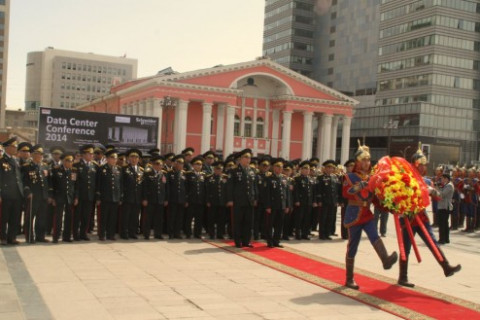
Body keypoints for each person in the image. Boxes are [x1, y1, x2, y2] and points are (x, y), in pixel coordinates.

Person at [397, 145, 461, 288]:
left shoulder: (426, 181)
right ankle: (403, 277)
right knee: (406, 247)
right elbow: (399, 196)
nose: (422, 167)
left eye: (424, 165)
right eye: (420, 164)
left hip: (422, 216)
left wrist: (433, 191)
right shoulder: (405, 179)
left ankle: (446, 266)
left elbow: (438, 197)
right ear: (414, 164)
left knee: (432, 242)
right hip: (409, 217)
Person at [342, 140, 398, 290]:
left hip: (366, 213)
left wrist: (390, 205)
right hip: (354, 214)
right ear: (357, 162)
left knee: (375, 236)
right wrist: (358, 186)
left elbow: (376, 198)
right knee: (353, 245)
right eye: (364, 160)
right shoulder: (350, 177)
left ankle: (385, 259)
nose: (367, 163)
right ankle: (349, 278)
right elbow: (345, 192)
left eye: (368, 160)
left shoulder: (373, 177)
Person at [226, 149, 258, 248]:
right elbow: (229, 186)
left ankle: (246, 241)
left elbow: (254, 186)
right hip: (238, 201)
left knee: (248, 222)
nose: (248, 159)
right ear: (240, 159)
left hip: (249, 201)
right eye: (246, 157)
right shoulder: (234, 171)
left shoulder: (252, 171)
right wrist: (230, 200)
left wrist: (255, 197)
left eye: (249, 158)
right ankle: (237, 241)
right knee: (238, 222)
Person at [22, 144, 51, 243]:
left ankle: (40, 236)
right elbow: (24, 182)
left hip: (43, 196)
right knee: (30, 217)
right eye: (39, 154)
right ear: (33, 154)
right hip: (33, 196)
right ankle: (29, 237)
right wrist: (28, 192)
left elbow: (48, 182)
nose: (41, 156)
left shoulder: (45, 166)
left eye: (42, 154)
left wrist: (48, 195)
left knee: (42, 217)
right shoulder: (27, 167)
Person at [0, 137, 25, 245]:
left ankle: (12, 237)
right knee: (4, 217)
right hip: (5, 194)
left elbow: (18, 177)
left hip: (16, 193)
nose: (15, 148)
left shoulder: (16, 160)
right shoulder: (1, 160)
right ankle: (3, 238)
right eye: (14, 146)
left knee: (14, 217)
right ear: (7, 148)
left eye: (16, 146)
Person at [96, 149, 123, 241]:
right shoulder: (101, 169)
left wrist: (120, 197)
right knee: (104, 217)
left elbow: (120, 184)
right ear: (107, 159)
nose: (114, 160)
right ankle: (101, 234)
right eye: (112, 158)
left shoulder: (119, 169)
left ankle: (110, 234)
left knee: (112, 218)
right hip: (105, 197)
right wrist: (98, 197)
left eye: (115, 158)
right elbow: (98, 184)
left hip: (115, 197)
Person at [49, 153, 77, 243]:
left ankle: (67, 236)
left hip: (69, 197)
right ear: (63, 161)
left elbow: (76, 185)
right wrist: (52, 197)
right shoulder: (56, 170)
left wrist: (76, 197)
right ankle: (56, 236)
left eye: (71, 161)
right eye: (68, 161)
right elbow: (52, 185)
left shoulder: (74, 171)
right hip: (59, 197)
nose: (70, 163)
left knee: (69, 217)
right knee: (58, 217)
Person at [73, 144, 98, 241]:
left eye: (92, 154)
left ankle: (83, 233)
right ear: (83, 155)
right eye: (90, 154)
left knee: (86, 216)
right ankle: (75, 234)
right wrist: (76, 196)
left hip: (89, 196)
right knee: (77, 216)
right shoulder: (76, 166)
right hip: (80, 196)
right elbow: (74, 182)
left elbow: (95, 182)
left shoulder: (94, 166)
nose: (92, 156)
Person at [264, 158, 289, 248]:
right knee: (270, 224)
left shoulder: (284, 178)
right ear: (274, 168)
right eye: (277, 167)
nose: (279, 169)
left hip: (281, 205)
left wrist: (287, 205)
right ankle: (269, 241)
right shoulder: (269, 178)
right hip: (272, 205)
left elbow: (286, 193)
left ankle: (276, 241)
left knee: (279, 224)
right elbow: (267, 194)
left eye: (281, 167)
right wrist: (268, 206)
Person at [142, 155, 168, 240]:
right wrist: (145, 198)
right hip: (150, 199)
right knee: (149, 218)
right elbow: (144, 187)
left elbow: (165, 188)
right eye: (157, 164)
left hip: (160, 199)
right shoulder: (148, 173)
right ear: (153, 164)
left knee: (159, 219)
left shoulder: (163, 174)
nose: (159, 166)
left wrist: (165, 199)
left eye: (161, 164)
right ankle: (146, 234)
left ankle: (158, 234)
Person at [121, 148, 144, 239]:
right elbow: (122, 183)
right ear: (129, 158)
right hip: (127, 196)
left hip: (137, 197)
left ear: (138, 159)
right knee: (126, 216)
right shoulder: (124, 169)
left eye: (136, 157)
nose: (134, 159)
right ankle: (124, 233)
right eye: (132, 157)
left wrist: (142, 197)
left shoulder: (141, 170)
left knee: (135, 216)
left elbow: (142, 185)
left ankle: (132, 232)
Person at [317, 160, 341, 240]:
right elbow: (319, 190)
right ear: (325, 168)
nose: (330, 169)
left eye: (332, 168)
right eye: (328, 168)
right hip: (324, 201)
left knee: (330, 218)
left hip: (332, 200)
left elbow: (336, 190)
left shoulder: (334, 177)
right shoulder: (320, 177)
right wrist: (319, 200)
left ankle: (327, 233)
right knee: (323, 218)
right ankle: (322, 234)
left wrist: (337, 200)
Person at [184, 156, 207, 239]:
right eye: (197, 164)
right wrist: (186, 200)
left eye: (200, 164)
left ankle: (197, 233)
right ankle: (188, 233)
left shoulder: (203, 175)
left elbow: (205, 189)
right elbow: (186, 188)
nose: (199, 166)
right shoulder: (188, 174)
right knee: (189, 218)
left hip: (200, 201)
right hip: (191, 200)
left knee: (199, 218)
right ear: (193, 165)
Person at [293, 160, 316, 240]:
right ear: (301, 170)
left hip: (308, 202)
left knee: (307, 219)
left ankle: (305, 234)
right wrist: (297, 200)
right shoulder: (297, 179)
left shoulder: (310, 179)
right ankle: (297, 234)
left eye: (308, 169)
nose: (307, 170)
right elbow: (296, 191)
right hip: (301, 202)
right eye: (305, 169)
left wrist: (314, 201)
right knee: (299, 218)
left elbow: (313, 192)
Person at [166, 155, 187, 239]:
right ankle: (170, 233)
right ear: (175, 164)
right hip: (172, 199)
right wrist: (167, 198)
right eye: (179, 163)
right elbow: (168, 187)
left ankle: (177, 233)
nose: (181, 165)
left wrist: (186, 199)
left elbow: (187, 188)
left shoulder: (184, 174)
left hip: (181, 199)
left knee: (179, 217)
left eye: (182, 163)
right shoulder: (170, 173)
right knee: (172, 217)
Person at [206, 161, 228, 239]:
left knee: (221, 219)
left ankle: (220, 234)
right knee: (211, 218)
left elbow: (227, 190)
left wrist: (227, 200)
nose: (218, 170)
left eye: (220, 169)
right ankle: (211, 233)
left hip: (222, 201)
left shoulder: (225, 177)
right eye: (217, 169)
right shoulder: (209, 177)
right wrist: (208, 201)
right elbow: (207, 190)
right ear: (214, 169)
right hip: (213, 201)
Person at [437, 173, 454, 244]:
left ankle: (442, 239)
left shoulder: (449, 186)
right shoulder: (446, 185)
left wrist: (437, 188)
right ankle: (446, 239)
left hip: (445, 206)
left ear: (446, 179)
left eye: (442, 178)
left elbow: (442, 194)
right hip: (442, 206)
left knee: (442, 223)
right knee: (444, 223)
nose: (441, 180)